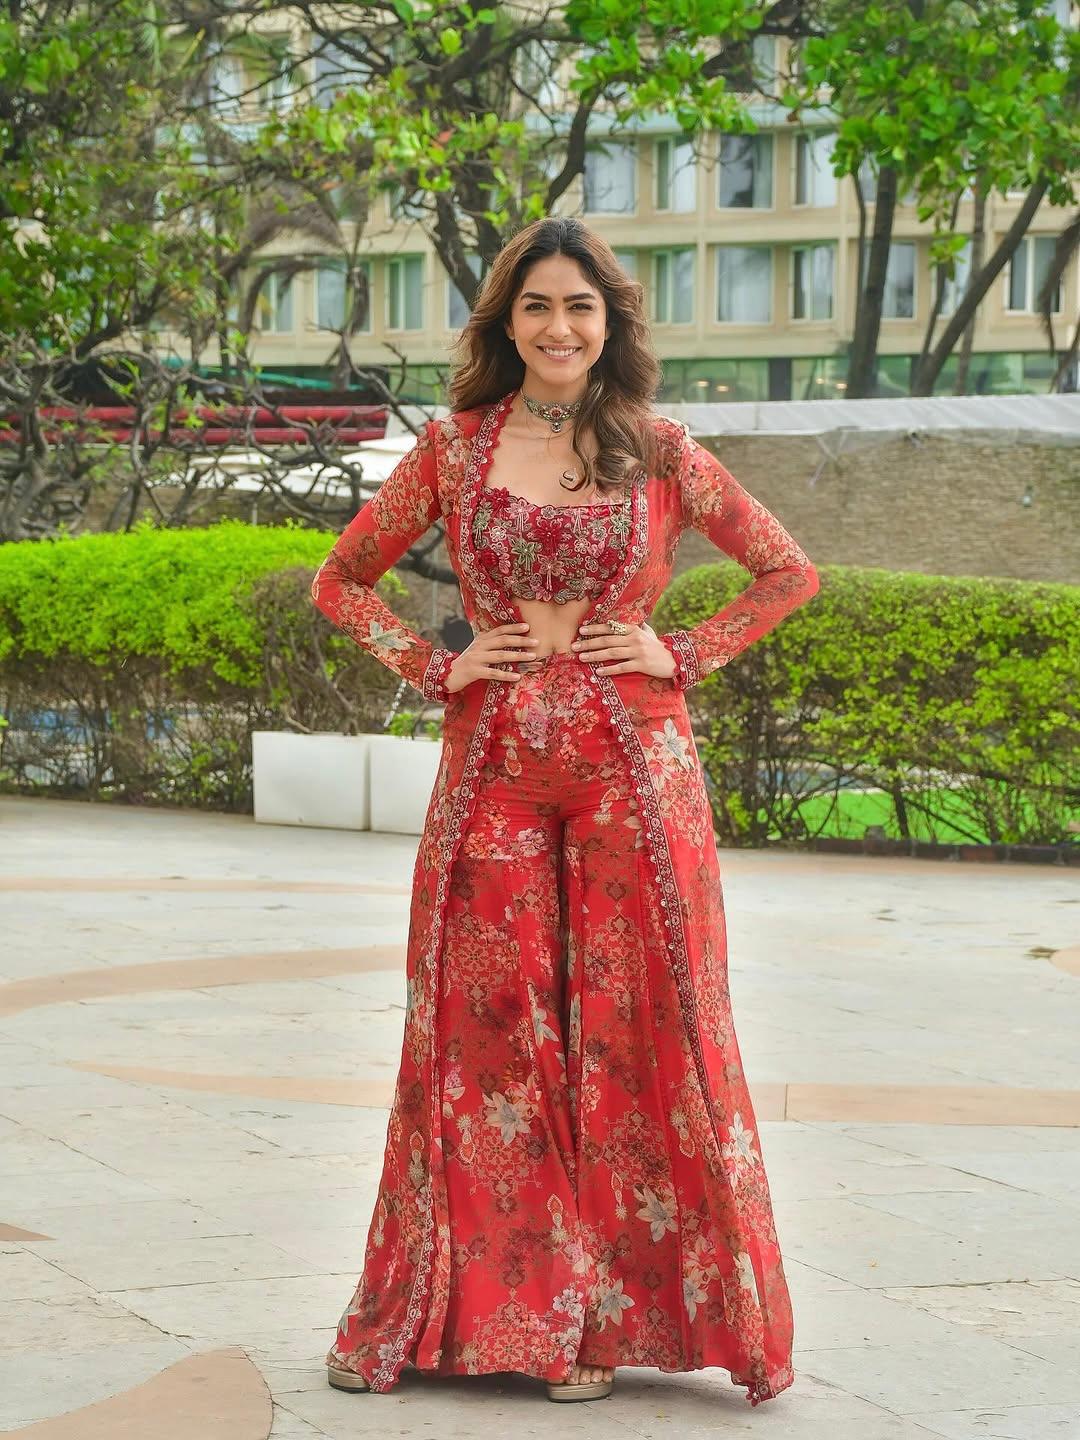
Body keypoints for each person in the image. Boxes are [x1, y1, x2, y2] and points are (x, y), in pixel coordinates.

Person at [309, 215, 819, 1407]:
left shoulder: (660, 448)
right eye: (535, 305)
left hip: (635, 777)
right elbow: (341, 579)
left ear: (610, 322)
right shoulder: (453, 448)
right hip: (490, 770)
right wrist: (434, 665)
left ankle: (598, 1324)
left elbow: (788, 571)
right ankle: (494, 1320)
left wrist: (681, 651)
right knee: (485, 1036)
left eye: (579, 306)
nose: (558, 327)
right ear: (506, 323)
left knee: (633, 1036)